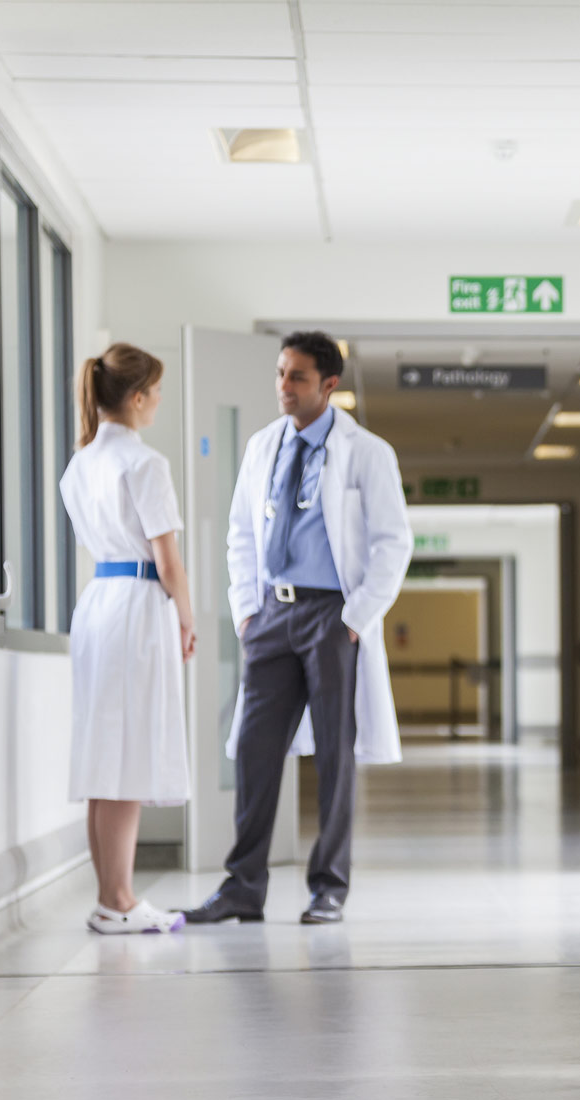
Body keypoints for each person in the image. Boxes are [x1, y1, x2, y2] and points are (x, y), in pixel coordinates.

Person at [183, 331, 411, 926]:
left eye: (297, 377)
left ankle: (329, 886)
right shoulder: (263, 446)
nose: (284, 387)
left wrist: (356, 619)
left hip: (333, 615)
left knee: (336, 753)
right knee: (255, 749)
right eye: (281, 374)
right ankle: (242, 886)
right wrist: (245, 611)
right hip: (271, 614)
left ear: (329, 385)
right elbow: (239, 532)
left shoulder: (367, 452)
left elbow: (394, 543)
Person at [59, 343, 193, 935]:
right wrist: (187, 618)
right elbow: (169, 560)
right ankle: (118, 900)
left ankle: (112, 895)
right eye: (157, 391)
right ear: (136, 397)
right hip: (138, 605)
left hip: (98, 605)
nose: (159, 401)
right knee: (127, 754)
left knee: (104, 754)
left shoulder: (80, 463)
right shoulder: (144, 463)